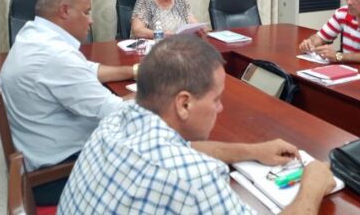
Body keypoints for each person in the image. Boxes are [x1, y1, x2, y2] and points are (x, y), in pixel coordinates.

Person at [58, 35, 335, 214]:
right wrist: (312, 183)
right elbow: (186, 161)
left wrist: (252, 150)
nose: (221, 108)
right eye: (216, 99)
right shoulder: (195, 179)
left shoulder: (117, 118)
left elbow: (185, 148)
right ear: (184, 104)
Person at [0, 0, 136, 205]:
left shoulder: (34, 35)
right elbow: (115, 110)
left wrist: (134, 71)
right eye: (86, 12)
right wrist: (163, 88)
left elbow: (88, 70)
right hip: (60, 174)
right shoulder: (54, 56)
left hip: (41, 149)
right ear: (64, 11)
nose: (91, 20)